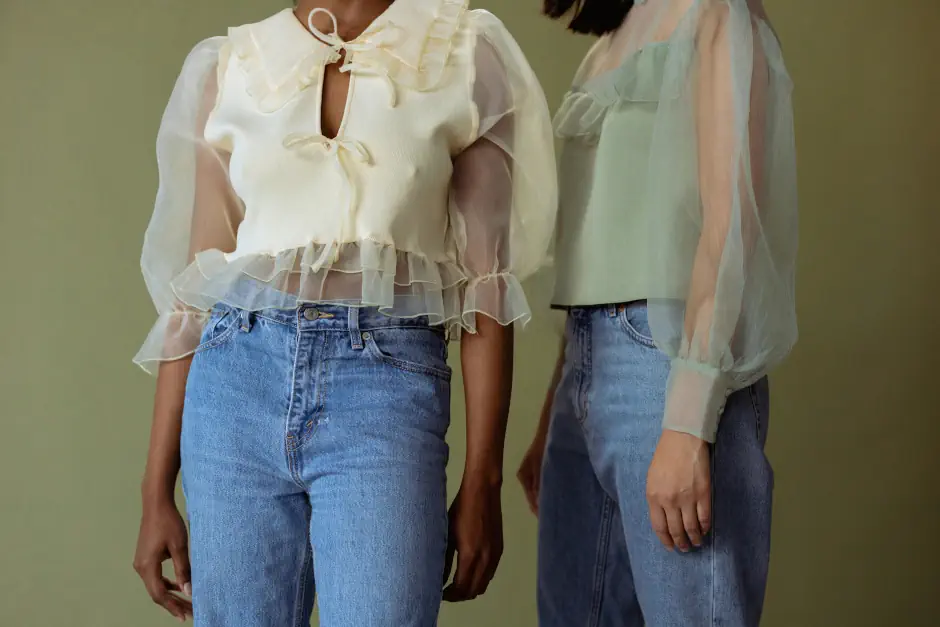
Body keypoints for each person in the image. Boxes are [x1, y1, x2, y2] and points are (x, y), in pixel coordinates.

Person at [130, 1, 556, 625]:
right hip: (232, 387)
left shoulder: (463, 51)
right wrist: (154, 490)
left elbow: (484, 289)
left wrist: (482, 481)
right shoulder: (234, 63)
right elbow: (195, 295)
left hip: (385, 389)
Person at [517, 0, 798, 625]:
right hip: (585, 375)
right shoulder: (606, 44)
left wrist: (688, 421)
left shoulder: (719, 13)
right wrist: (558, 410)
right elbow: (594, 243)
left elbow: (731, 225)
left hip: (669, 363)